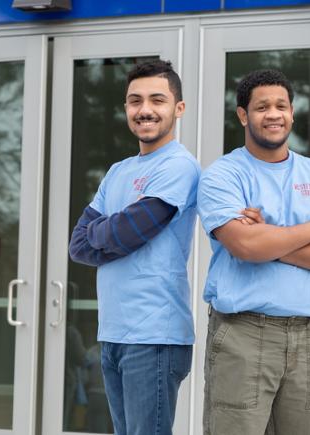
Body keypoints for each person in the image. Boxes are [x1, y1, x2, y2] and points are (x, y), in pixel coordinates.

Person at [197, 69, 310, 435]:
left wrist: (269, 238)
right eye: (262, 107)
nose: (273, 114)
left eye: (281, 106)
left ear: (292, 112)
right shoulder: (222, 175)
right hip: (244, 333)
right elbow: (244, 245)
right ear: (243, 115)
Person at [69, 59, 200, 435]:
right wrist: (109, 232)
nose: (144, 110)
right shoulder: (117, 171)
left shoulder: (179, 166)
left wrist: (106, 229)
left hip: (154, 334)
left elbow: (130, 230)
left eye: (157, 100)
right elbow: (78, 245)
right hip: (113, 332)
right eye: (135, 100)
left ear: (178, 108)